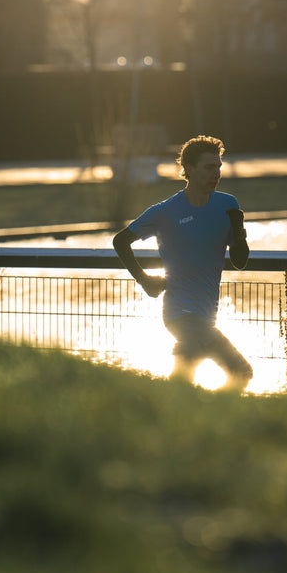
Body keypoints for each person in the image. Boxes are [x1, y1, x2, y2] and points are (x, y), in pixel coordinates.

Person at [113, 135, 253, 392]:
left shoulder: (227, 205)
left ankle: (176, 417)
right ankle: (203, 420)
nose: (217, 174)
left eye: (219, 167)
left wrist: (238, 230)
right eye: (209, 168)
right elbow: (120, 241)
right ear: (189, 169)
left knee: (183, 380)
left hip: (205, 315)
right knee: (241, 371)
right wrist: (145, 280)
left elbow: (239, 261)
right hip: (180, 314)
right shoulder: (165, 211)